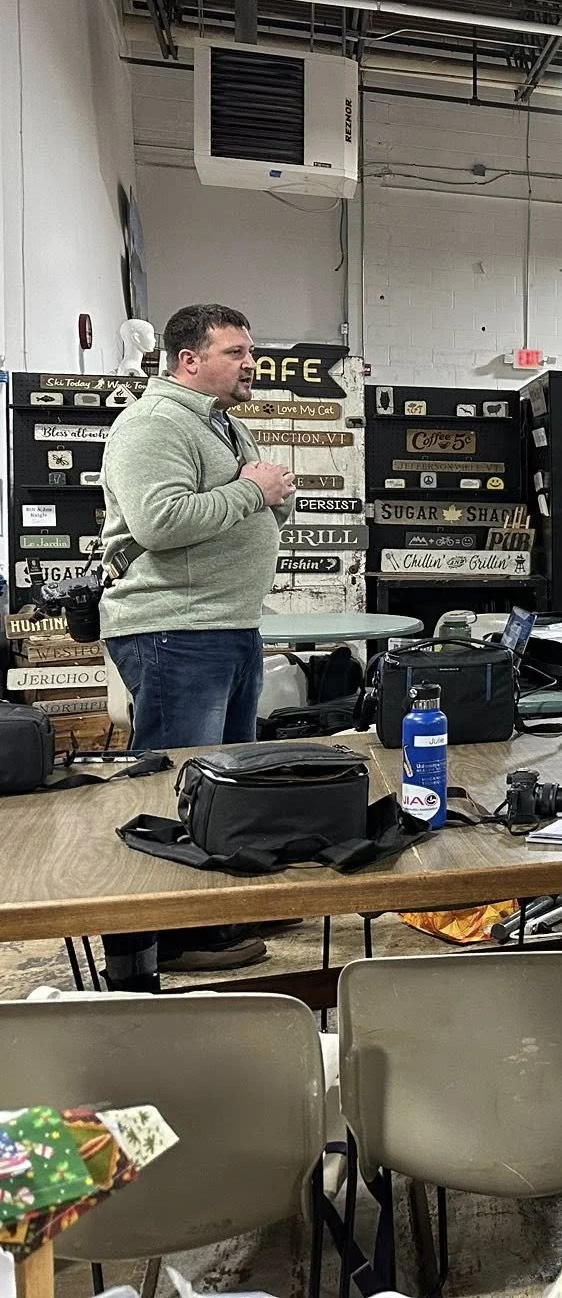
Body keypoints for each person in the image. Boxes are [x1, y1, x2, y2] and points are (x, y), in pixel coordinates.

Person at [98, 303, 296, 987]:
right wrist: (251, 489)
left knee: (220, 791)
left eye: (250, 350)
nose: (250, 363)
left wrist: (269, 493)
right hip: (176, 630)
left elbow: (255, 496)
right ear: (189, 360)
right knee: (175, 791)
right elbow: (160, 522)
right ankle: (161, 943)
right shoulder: (153, 425)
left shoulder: (219, 422)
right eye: (236, 351)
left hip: (223, 626)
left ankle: (207, 917)